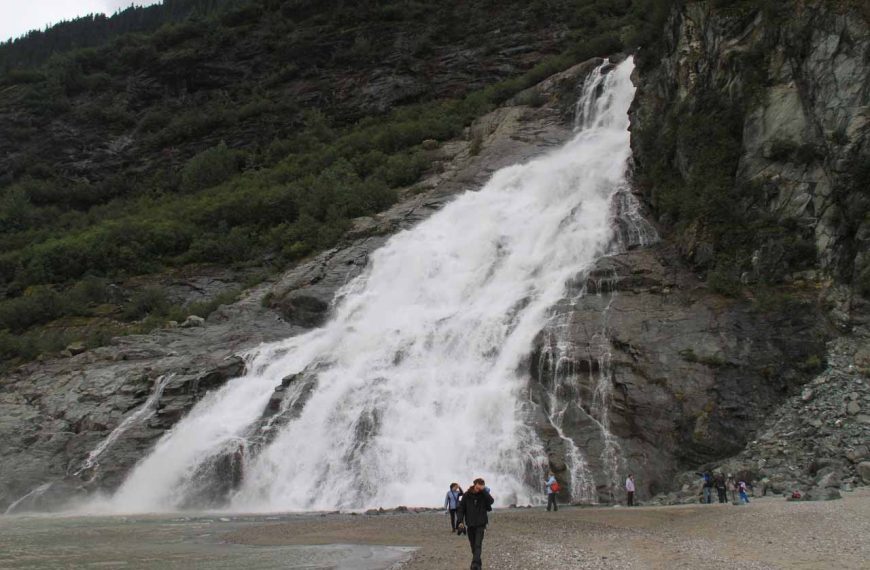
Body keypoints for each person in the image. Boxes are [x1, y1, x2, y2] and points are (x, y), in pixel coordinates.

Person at [457, 478, 494, 570]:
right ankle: (478, 564)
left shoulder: (483, 495)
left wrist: (484, 491)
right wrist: (460, 521)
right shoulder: (466, 495)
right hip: (470, 524)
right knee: (473, 546)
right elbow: (461, 509)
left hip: (481, 524)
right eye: (478, 487)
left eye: (481, 487)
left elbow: (491, 501)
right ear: (474, 485)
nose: (479, 489)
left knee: (478, 544)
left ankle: (474, 565)